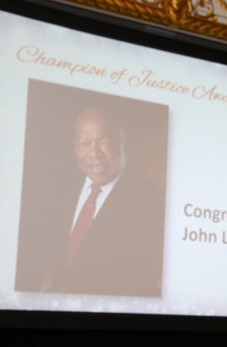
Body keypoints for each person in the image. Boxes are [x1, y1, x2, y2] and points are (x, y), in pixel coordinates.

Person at [37, 106, 165, 297]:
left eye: (105, 143)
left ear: (125, 146)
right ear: (74, 147)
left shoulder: (155, 203)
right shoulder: (58, 191)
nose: (94, 153)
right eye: (84, 143)